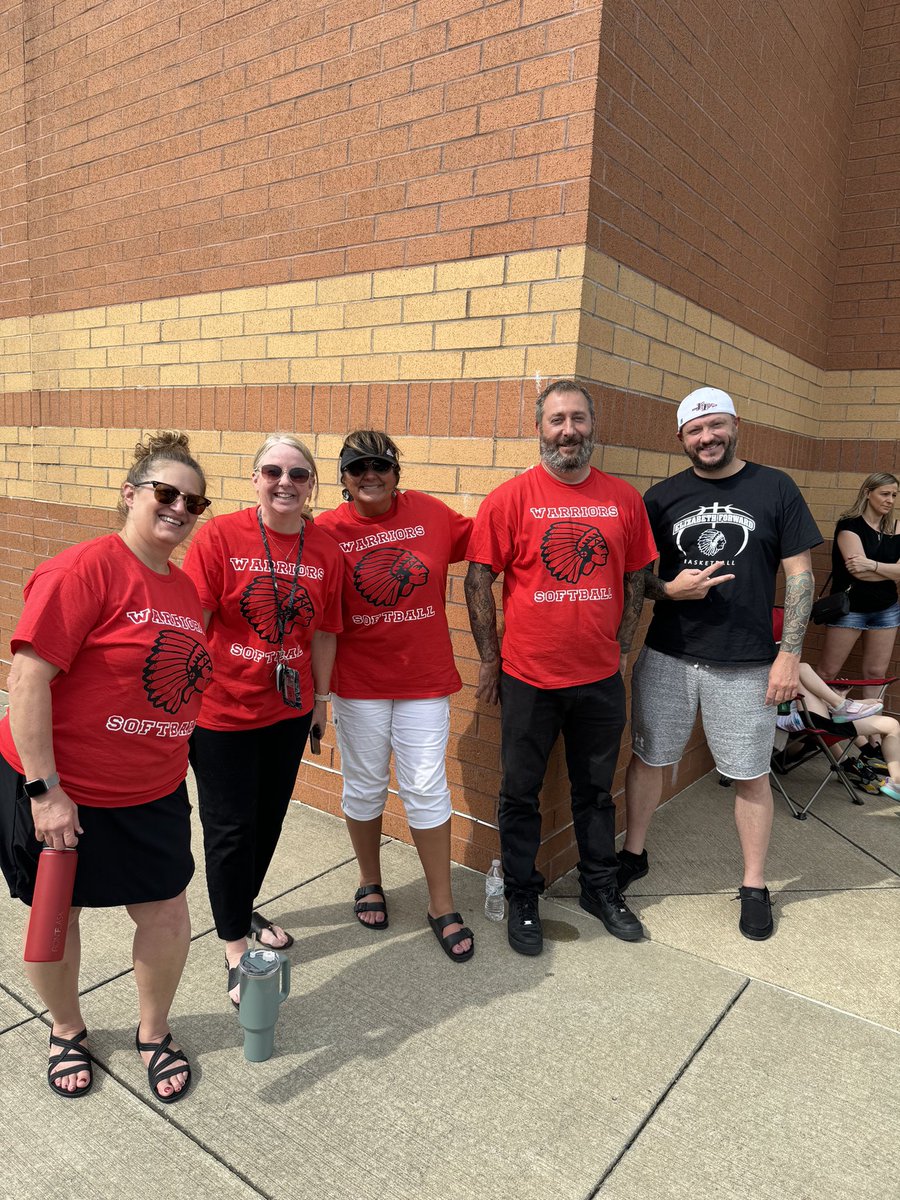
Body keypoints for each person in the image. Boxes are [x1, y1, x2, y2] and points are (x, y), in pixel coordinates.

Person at [0, 431, 211, 1102]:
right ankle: (67, 1029)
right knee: (56, 917)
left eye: (194, 501)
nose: (179, 508)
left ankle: (153, 1033)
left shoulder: (183, 589)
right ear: (130, 494)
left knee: (168, 915)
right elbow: (27, 682)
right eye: (166, 493)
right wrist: (46, 792)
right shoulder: (84, 570)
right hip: (64, 790)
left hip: (150, 792)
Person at [619, 387, 821, 940]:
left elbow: (800, 575)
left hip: (748, 661)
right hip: (668, 655)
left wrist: (790, 653)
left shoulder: (774, 486)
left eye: (715, 426)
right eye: (694, 430)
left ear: (736, 425)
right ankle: (633, 853)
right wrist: (669, 590)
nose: (707, 438)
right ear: (681, 438)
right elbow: (638, 581)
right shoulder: (660, 498)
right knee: (649, 758)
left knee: (750, 774)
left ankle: (754, 884)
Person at [464, 379, 657, 956]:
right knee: (520, 793)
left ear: (592, 426)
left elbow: (637, 577)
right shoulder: (509, 498)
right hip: (529, 677)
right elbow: (478, 578)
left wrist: (620, 649)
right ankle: (524, 892)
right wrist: (491, 660)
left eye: (577, 418)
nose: (567, 430)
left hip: (599, 679)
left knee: (594, 791)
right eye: (556, 420)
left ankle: (600, 886)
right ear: (541, 430)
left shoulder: (623, 499)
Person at [183, 435, 343, 1006]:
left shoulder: (325, 549)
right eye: (273, 471)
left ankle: (241, 907)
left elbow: (325, 632)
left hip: (288, 711)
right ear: (254, 479)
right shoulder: (220, 536)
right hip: (222, 710)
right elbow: (192, 621)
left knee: (268, 821)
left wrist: (321, 702)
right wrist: (178, 705)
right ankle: (232, 944)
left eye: (298, 474)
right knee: (229, 830)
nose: (285, 483)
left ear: (311, 484)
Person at [316, 431, 475, 963]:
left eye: (380, 465)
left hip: (424, 680)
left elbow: (492, 540)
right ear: (342, 478)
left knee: (426, 788)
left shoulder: (431, 513)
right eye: (357, 467)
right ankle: (369, 881)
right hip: (359, 682)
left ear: (395, 472)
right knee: (363, 786)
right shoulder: (327, 531)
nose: (369, 475)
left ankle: (440, 902)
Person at [818, 473, 900, 730]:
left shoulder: (896, 527)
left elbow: (866, 567)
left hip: (887, 610)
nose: (890, 500)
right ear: (867, 492)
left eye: (894, 495)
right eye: (884, 494)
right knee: (828, 673)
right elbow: (856, 571)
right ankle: (816, 725)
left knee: (876, 675)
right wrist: (889, 570)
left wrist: (872, 564)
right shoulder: (849, 525)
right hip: (849, 610)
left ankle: (872, 735)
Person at [777, 663, 900, 802]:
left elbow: (818, 700)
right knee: (801, 667)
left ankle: (897, 782)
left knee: (892, 724)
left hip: (825, 717)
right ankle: (842, 704)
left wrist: (838, 695)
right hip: (803, 720)